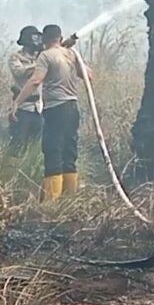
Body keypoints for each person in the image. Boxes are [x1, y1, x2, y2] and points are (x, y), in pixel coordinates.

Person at [9, 24, 91, 201]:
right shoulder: (70, 54)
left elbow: (35, 81)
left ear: (45, 40)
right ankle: (71, 198)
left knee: (52, 150)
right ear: (60, 38)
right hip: (73, 108)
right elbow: (88, 75)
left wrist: (17, 102)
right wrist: (66, 52)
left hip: (55, 109)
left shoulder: (46, 56)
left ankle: (51, 202)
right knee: (69, 150)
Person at [8, 26, 44, 154]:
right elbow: (20, 72)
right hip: (22, 108)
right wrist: (41, 63)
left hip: (38, 108)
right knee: (18, 144)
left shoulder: (41, 57)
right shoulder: (15, 57)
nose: (38, 41)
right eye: (35, 38)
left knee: (35, 147)